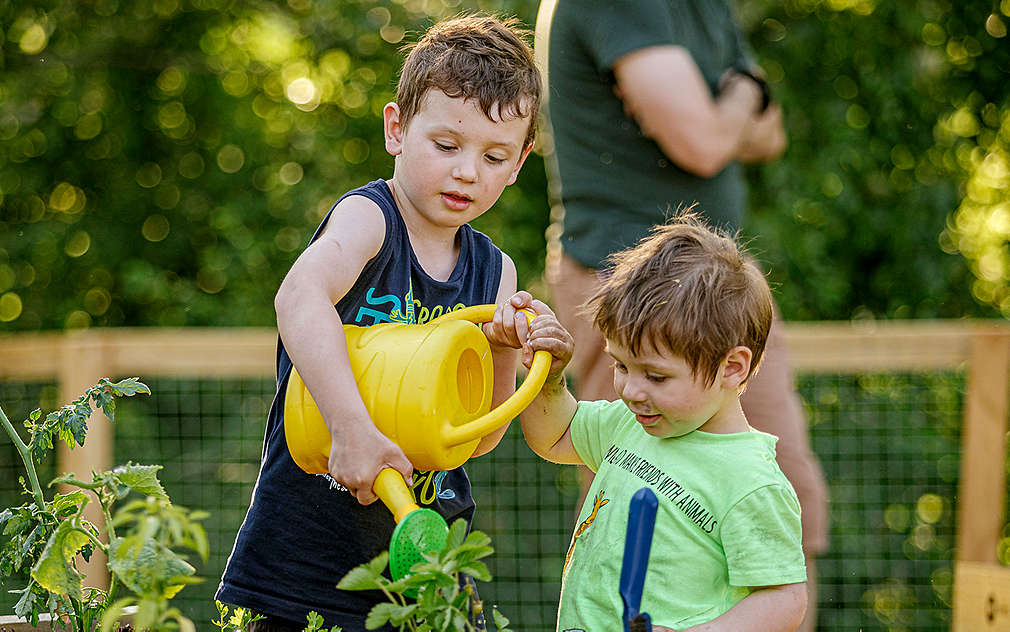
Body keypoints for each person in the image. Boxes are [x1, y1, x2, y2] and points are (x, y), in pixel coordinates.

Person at [215, 15, 542, 632]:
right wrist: (350, 429)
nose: (468, 171)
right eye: (447, 146)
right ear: (397, 129)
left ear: (520, 161)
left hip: (426, 554)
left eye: (494, 155)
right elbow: (298, 297)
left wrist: (504, 351)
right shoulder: (370, 222)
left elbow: (475, 437)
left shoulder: (497, 271)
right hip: (310, 547)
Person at [534, 2, 829, 628]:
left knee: (785, 506)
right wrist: (740, 97)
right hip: (627, 292)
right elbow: (702, 142)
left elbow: (767, 136)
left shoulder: (704, 8)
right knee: (630, 503)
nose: (631, 388)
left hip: (720, 299)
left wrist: (725, 113)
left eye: (650, 379)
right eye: (626, 373)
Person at [500, 214, 807, 631]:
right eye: (621, 365)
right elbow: (554, 436)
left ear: (731, 368)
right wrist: (549, 380)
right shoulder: (629, 424)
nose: (630, 390)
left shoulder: (750, 480)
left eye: (656, 376)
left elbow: (785, 599)